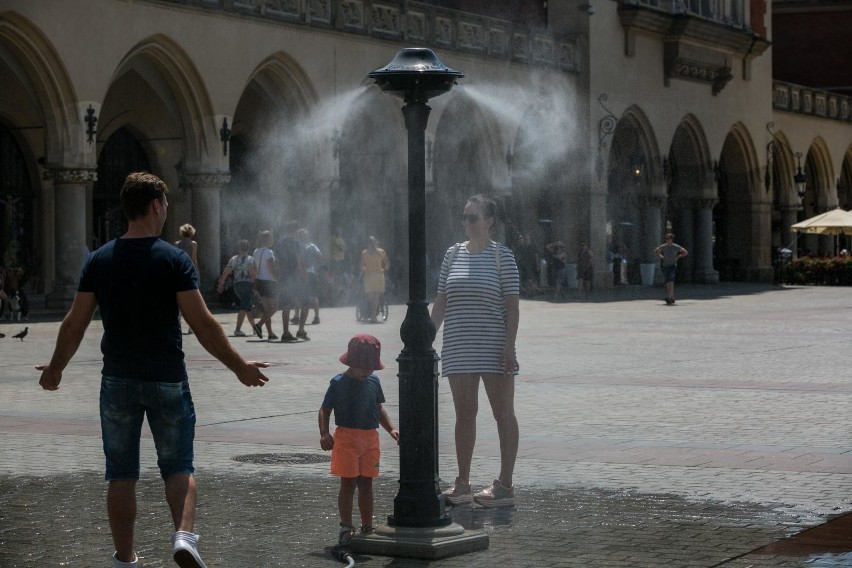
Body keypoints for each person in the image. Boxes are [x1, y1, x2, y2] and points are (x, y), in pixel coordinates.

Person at [35, 172, 270, 568]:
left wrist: (55, 369)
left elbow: (74, 322)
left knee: (121, 473)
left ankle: (125, 559)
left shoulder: (100, 260)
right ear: (157, 205)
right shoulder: (173, 259)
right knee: (178, 466)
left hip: (118, 381)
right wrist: (238, 366)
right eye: (165, 205)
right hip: (167, 378)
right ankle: (183, 537)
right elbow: (203, 323)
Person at [431, 194, 520, 509]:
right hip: (458, 346)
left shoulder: (502, 256)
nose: (466, 223)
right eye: (464, 217)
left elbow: (512, 305)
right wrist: (426, 336)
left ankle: (505, 485)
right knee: (464, 415)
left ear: (489, 221)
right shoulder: (452, 254)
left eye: (473, 217)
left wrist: (509, 346)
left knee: (503, 414)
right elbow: (442, 299)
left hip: (494, 347)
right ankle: (463, 483)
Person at [318, 334, 400, 544]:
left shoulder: (374, 381)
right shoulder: (338, 383)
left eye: (371, 367)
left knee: (367, 484)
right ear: (350, 363)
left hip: (371, 439)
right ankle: (346, 526)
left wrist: (391, 429)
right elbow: (325, 410)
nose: (368, 371)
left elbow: (378, 408)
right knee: (348, 484)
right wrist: (324, 433)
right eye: (364, 367)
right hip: (346, 439)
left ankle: (367, 526)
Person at [216, 239, 260, 337]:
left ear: (238, 248)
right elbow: (252, 275)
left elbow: (226, 272)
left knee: (247, 306)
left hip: (236, 285)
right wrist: (256, 288)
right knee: (244, 307)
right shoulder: (250, 259)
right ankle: (237, 329)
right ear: (248, 248)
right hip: (247, 285)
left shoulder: (234, 259)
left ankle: (255, 328)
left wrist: (221, 284)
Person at [277, 221, 310, 342]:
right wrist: (304, 275)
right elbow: (299, 260)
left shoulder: (280, 243)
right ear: (295, 230)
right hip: (296, 277)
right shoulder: (296, 243)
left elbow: (277, 261)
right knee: (306, 303)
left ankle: (285, 333)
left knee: (286, 305)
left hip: (284, 276)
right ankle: (301, 330)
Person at [252, 230, 278, 340]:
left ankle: (270, 333)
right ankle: (258, 325)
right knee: (274, 308)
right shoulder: (269, 252)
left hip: (260, 281)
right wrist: (278, 279)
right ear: (267, 240)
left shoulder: (256, 251)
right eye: (271, 238)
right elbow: (271, 268)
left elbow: (254, 267)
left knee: (267, 309)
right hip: (269, 281)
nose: (273, 240)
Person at [360, 236, 390, 323]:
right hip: (379, 276)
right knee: (376, 296)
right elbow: (387, 263)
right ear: (376, 243)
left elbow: (360, 266)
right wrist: (385, 269)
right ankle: (373, 316)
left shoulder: (364, 253)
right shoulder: (381, 252)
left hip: (369, 276)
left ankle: (372, 314)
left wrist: (365, 270)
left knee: (371, 296)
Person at [175, 224, 198, 334]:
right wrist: (196, 272)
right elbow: (193, 259)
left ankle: (178, 322)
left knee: (178, 299)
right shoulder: (193, 244)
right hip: (189, 271)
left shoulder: (177, 244)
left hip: (179, 271)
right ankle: (191, 326)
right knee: (191, 300)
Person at [654, 232, 688, 305]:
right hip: (665, 265)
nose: (667, 240)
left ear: (672, 239)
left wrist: (679, 256)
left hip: (672, 265)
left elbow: (685, 252)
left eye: (668, 238)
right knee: (667, 282)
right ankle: (671, 297)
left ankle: (669, 297)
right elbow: (656, 251)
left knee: (671, 281)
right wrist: (661, 256)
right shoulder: (663, 246)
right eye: (666, 238)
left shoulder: (676, 246)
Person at [299, 228, 323, 325]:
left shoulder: (300, 246)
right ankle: (316, 316)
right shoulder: (312, 246)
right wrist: (312, 263)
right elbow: (320, 256)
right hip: (310, 273)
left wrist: (310, 264)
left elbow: (320, 256)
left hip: (304, 273)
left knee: (306, 296)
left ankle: (304, 317)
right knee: (312, 296)